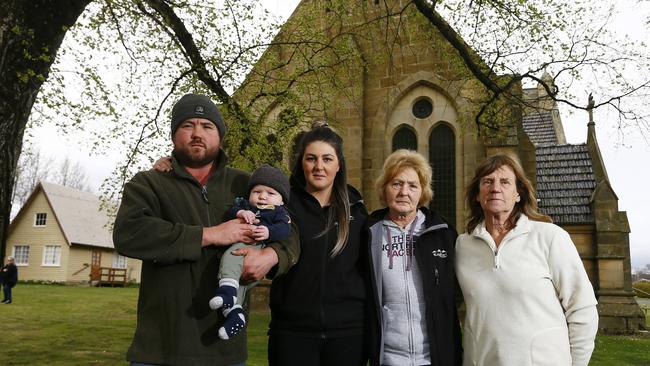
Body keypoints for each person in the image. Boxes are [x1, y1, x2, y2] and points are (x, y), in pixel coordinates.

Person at [113, 93, 299, 366]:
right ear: (174, 134)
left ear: (220, 136)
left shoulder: (246, 185)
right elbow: (129, 233)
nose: (197, 133)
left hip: (224, 348)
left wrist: (271, 257)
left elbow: (291, 232)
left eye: (207, 126)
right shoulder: (149, 184)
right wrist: (211, 234)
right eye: (188, 125)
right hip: (160, 349)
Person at [455, 153, 598, 366]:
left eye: (505, 182)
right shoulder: (462, 245)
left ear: (518, 194)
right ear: (477, 195)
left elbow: (582, 309)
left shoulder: (550, 237)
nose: (496, 188)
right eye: (487, 182)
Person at [267, 122, 369, 366]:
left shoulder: (356, 209)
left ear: (339, 164)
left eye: (327, 159)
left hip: (348, 335)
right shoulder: (283, 206)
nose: (319, 166)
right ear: (301, 163)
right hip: (293, 333)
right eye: (311, 158)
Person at [367, 149, 462, 366]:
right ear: (384, 189)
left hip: (433, 357)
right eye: (396, 184)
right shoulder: (368, 233)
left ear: (422, 192)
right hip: (388, 357)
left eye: (412, 185)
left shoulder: (443, 233)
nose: (404, 192)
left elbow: (458, 288)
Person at [209, 164, 291, 340]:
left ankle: (227, 291)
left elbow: (285, 230)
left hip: (257, 248)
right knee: (238, 284)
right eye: (257, 191)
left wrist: (269, 232)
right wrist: (240, 212)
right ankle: (235, 314)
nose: (262, 196)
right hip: (240, 245)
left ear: (281, 200)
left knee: (232, 257)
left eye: (270, 193)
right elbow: (231, 210)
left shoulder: (280, 212)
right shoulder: (246, 206)